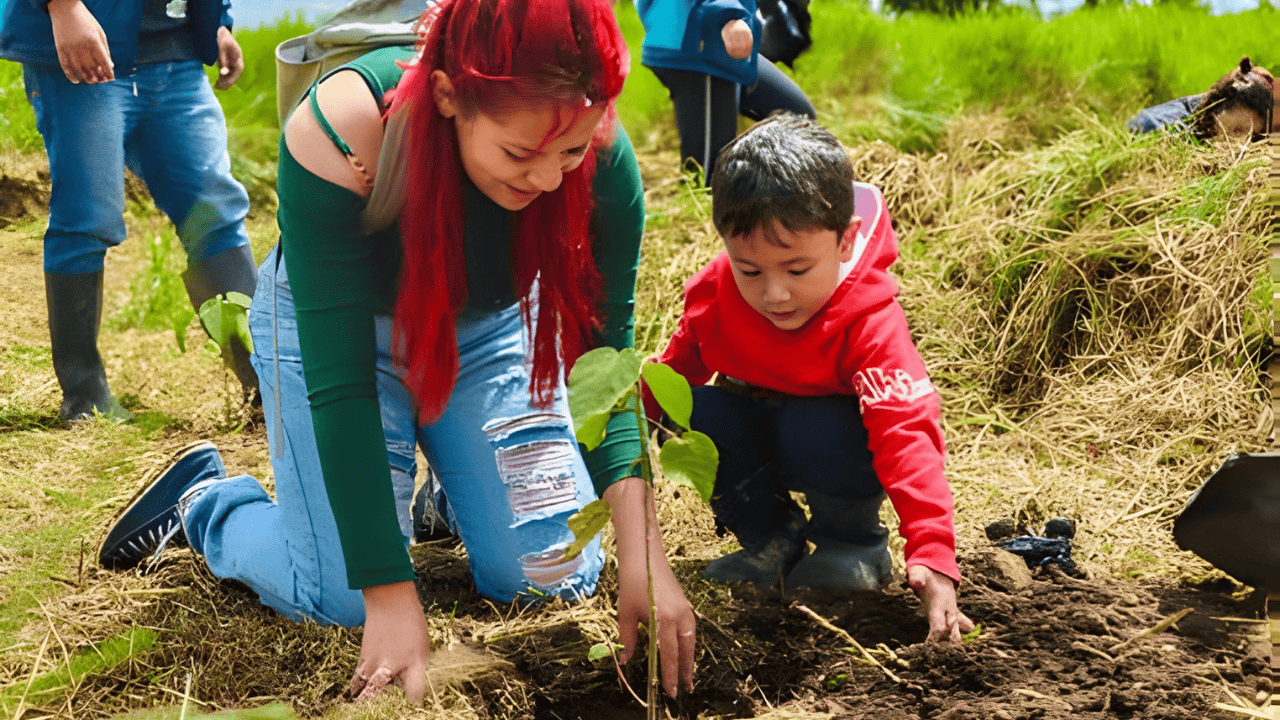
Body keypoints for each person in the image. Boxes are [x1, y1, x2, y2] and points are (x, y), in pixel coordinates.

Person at [95, 0, 698, 704]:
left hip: (487, 327)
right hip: (346, 333)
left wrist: (646, 558)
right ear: (448, 96)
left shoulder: (597, 152)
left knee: (551, 575)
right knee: (338, 599)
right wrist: (387, 594)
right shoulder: (345, 130)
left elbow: (605, 359)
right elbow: (341, 381)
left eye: (569, 154)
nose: (548, 180)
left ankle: (456, 488)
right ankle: (205, 504)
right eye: (518, 153)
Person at [643, 114, 974, 643]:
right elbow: (669, 377)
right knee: (690, 408)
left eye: (797, 270)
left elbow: (906, 431)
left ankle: (852, 543)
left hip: (834, 447)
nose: (774, 294)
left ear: (845, 241)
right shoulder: (717, 292)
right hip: (757, 436)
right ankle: (771, 540)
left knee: (815, 421)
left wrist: (932, 552)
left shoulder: (870, 321)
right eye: (750, 270)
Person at [0, 0, 259, 421]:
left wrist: (217, 19)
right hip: (84, 46)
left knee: (215, 214)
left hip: (177, 52)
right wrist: (62, 6)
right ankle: (85, 399)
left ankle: (264, 378)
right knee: (87, 218)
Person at [636, 0, 816, 184]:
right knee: (711, 176)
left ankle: (770, 189)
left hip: (719, 38)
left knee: (799, 118)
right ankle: (717, 194)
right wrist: (728, 13)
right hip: (700, 43)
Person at [1128, 56, 1275, 140]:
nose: (1241, 145)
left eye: (1250, 137)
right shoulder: (1158, 128)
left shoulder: (1230, 119)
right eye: (1237, 130)